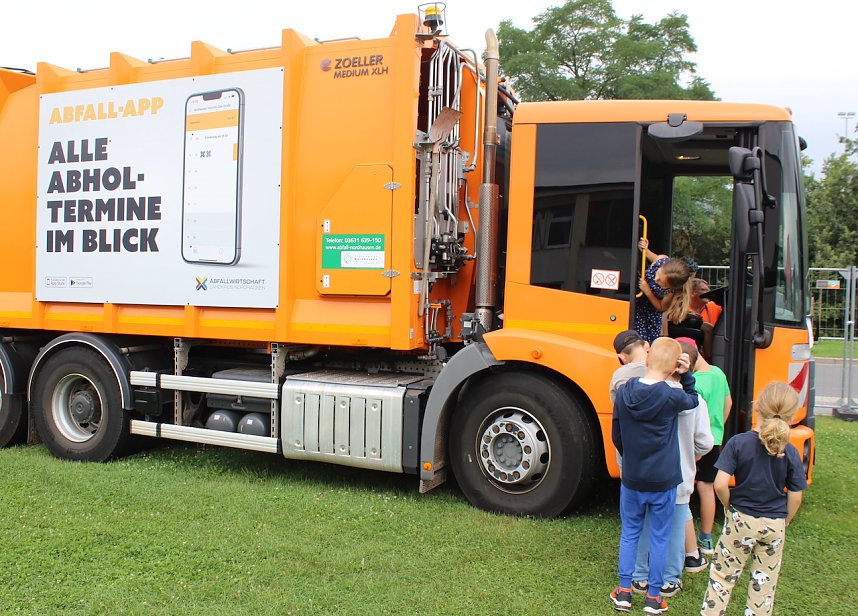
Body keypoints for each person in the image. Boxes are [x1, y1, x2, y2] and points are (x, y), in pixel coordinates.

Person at [700, 382, 807, 616]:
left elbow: (719, 483)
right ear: (790, 414)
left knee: (722, 578)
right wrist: (785, 520)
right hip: (774, 525)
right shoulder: (789, 450)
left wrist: (729, 506)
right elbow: (796, 496)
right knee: (764, 586)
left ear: (757, 406)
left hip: (741, 520)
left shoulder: (739, 443)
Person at [610, 337, 699, 615]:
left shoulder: (624, 392)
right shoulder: (672, 395)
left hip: (633, 477)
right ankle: (654, 596)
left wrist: (631, 458)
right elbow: (692, 401)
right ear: (674, 366)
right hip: (664, 479)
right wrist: (687, 376)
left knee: (630, 533)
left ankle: (624, 591)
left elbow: (617, 434)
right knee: (660, 536)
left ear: (646, 359)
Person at [630, 340, 713, 601]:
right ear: (682, 365)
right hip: (680, 473)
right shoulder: (693, 401)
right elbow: (705, 442)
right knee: (677, 522)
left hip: (645, 471)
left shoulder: (640, 394)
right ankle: (669, 578)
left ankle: (639, 576)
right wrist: (693, 456)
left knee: (644, 523)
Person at [690, 345, 733, 563]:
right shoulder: (718, 373)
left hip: (698, 442)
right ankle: (706, 538)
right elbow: (729, 402)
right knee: (707, 487)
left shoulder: (696, 383)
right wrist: (719, 428)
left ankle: (684, 537)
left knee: (688, 486)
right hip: (715, 439)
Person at [635, 238, 694, 344]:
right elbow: (648, 255)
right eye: (658, 274)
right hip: (637, 303)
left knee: (647, 340)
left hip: (651, 311)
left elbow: (661, 307)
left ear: (671, 287)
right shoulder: (661, 260)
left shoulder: (672, 291)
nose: (655, 279)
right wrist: (644, 248)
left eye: (660, 282)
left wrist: (647, 291)